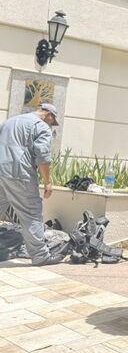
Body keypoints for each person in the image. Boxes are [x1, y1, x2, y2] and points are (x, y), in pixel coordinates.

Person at [0, 104, 64, 266]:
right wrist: (48, 181)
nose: (51, 124)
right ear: (48, 114)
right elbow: (42, 156)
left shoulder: (10, 121)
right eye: (52, 121)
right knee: (31, 213)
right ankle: (40, 255)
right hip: (19, 174)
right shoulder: (41, 126)